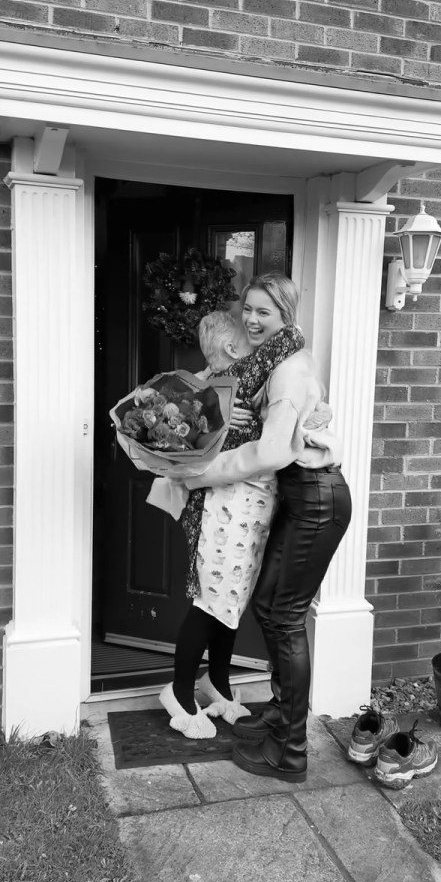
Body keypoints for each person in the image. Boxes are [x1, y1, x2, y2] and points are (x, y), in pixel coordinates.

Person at [183, 272, 352, 782]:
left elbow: (275, 450)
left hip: (316, 501)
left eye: (266, 313)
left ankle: (291, 750)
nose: (253, 320)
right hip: (301, 498)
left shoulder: (288, 369)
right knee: (267, 606)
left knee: (284, 617)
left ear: (286, 316)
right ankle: (280, 718)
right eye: (248, 310)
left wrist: (201, 474)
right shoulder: (275, 361)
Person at [159, 309, 320, 740]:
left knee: (231, 600)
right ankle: (179, 694)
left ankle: (219, 685)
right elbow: (289, 340)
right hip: (216, 510)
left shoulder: (218, 382)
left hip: (246, 509)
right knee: (210, 600)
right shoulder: (232, 379)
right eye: (246, 330)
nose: (254, 333)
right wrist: (277, 315)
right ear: (232, 351)